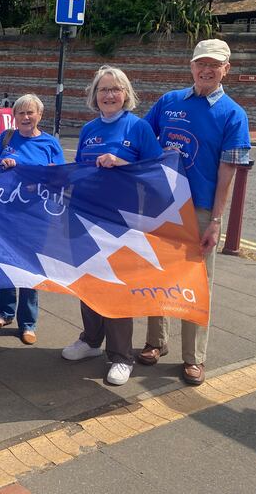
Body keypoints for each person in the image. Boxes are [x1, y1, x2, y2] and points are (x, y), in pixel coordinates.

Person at [139, 39, 250, 386]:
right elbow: (142, 139)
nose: (206, 70)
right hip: (162, 205)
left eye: (214, 65)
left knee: (196, 284)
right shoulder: (169, 101)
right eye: (201, 63)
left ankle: (194, 357)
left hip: (200, 210)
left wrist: (216, 221)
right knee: (158, 275)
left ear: (225, 70)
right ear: (191, 66)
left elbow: (228, 173)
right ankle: (156, 341)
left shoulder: (233, 114)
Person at [61, 66, 162, 385]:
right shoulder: (89, 128)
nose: (109, 95)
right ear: (94, 95)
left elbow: (158, 172)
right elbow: (80, 169)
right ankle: (91, 341)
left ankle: (121, 356)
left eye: (116, 89)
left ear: (126, 94)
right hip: (86, 216)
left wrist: (124, 164)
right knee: (89, 282)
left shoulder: (138, 127)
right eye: (103, 89)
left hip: (122, 220)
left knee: (117, 286)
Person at [0, 94, 65, 345]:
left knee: (30, 269)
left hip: (34, 216)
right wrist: (2, 165)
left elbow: (61, 178)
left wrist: (47, 175)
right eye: (21, 113)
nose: (26, 117)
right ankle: (4, 314)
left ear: (40, 115)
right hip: (5, 214)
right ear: (14, 116)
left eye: (31, 113)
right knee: (6, 264)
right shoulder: (6, 138)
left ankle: (28, 323)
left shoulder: (50, 144)